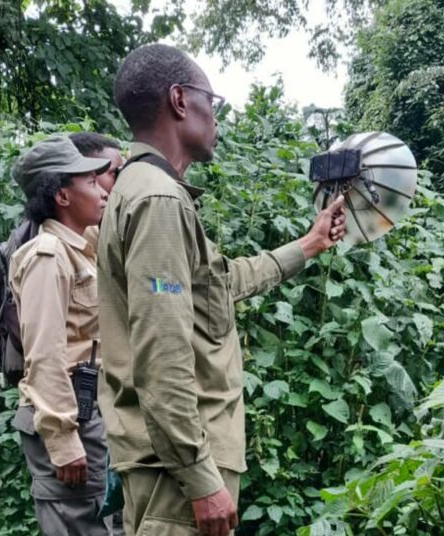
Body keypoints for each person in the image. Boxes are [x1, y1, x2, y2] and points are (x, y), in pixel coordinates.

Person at [96, 44, 346, 536]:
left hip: (171, 466)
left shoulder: (142, 189)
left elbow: (220, 283)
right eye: (213, 101)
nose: (217, 117)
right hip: (177, 475)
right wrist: (199, 476)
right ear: (179, 100)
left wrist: (309, 244)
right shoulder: (158, 200)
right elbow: (161, 354)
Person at [9, 135, 117, 536]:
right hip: (69, 416)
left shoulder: (80, 248)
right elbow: (44, 354)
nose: (102, 191)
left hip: (86, 412)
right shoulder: (48, 256)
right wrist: (63, 439)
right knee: (76, 523)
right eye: (90, 182)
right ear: (62, 196)